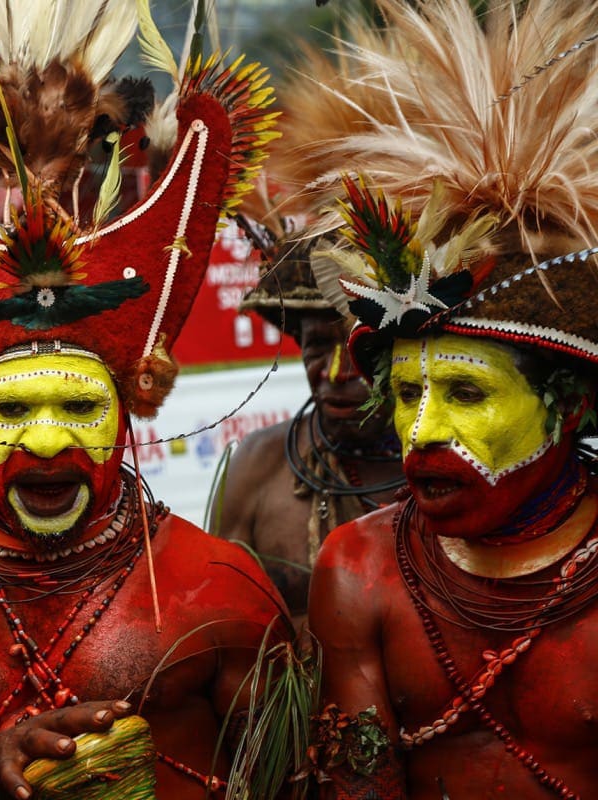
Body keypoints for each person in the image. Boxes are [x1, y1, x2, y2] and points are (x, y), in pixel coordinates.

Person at [0, 1, 293, 796]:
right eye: (11, 411)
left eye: (77, 410)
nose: (43, 442)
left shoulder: (220, 586)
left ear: (132, 405)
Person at [305, 1, 598, 796]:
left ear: (567, 406)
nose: (422, 429)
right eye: (405, 393)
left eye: (467, 391)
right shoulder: (360, 568)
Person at [216, 231, 403, 627]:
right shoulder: (257, 465)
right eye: (317, 345)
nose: (337, 372)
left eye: (362, 346)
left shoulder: (450, 466)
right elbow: (218, 626)